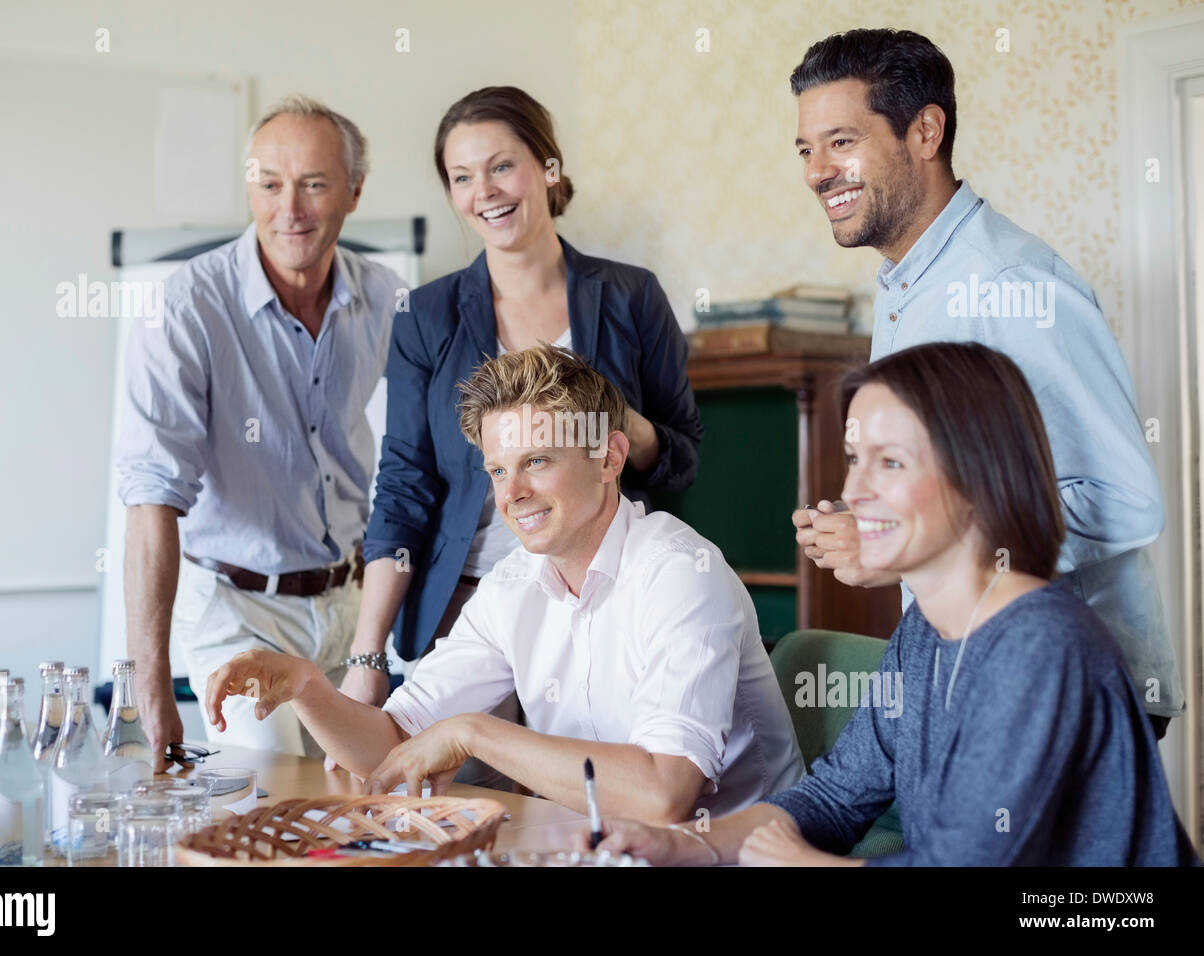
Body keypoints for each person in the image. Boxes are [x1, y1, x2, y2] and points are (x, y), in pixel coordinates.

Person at [583, 342, 1198, 866]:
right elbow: (833, 799)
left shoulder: (1042, 647)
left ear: (981, 475)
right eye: (854, 460)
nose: (852, 491)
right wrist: (684, 846)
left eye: (891, 462)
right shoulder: (927, 629)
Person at [204, 345, 802, 821]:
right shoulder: (511, 585)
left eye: (536, 462)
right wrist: (308, 687)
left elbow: (663, 794)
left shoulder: (681, 575)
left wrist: (472, 734)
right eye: (497, 469)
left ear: (609, 459)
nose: (511, 494)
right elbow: (392, 744)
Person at [786, 28, 1183, 737]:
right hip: (978, 672)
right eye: (806, 149)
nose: (818, 170)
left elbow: (1127, 501)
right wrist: (882, 524)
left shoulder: (1011, 284)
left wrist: (917, 542)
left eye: (841, 141)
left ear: (926, 132)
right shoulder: (907, 284)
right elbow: (962, 483)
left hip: (1069, 685)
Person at [339, 87, 703, 722]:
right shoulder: (425, 318)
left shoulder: (631, 296)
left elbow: (682, 459)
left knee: (583, 801)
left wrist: (614, 420)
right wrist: (367, 658)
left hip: (607, 600)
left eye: (502, 165)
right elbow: (403, 487)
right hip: (470, 606)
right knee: (460, 807)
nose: (485, 191)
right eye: (462, 176)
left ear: (548, 168)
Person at [117, 96, 400, 766]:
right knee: (274, 801)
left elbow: (433, 452)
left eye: (314, 184)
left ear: (354, 192)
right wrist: (149, 688)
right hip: (237, 608)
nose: (289, 209)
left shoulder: (388, 298)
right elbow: (152, 496)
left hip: (349, 602)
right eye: (269, 184)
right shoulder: (186, 306)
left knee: (361, 794)